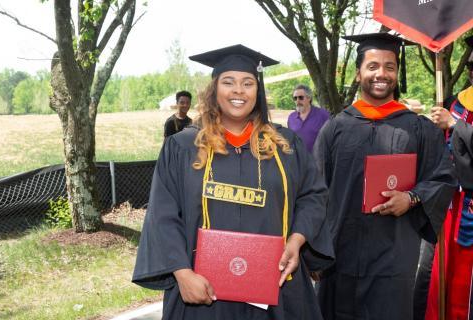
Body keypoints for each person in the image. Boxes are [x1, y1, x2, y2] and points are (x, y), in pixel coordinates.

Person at [132, 44, 334, 320]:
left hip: (275, 291)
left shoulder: (286, 146)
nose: (238, 90)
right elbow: (162, 216)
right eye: (229, 82)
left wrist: (297, 241)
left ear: (257, 91)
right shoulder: (183, 148)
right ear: (214, 89)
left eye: (247, 83)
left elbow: (313, 196)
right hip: (203, 294)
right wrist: (182, 273)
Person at [313, 32, 457, 320]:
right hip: (339, 257)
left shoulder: (418, 129)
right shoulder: (335, 128)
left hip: (393, 260)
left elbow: (444, 177)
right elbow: (314, 191)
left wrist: (413, 198)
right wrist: (313, 249)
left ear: (397, 74)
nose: (381, 74)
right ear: (358, 74)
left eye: (390, 67)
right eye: (373, 66)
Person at [418, 34, 473, 320]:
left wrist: (456, 125)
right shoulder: (456, 103)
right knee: (442, 274)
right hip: (452, 203)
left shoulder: (457, 115)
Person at [287, 84, 329, 152]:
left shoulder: (323, 115)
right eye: (295, 98)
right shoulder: (291, 118)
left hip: (317, 160)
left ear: (309, 98)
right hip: (298, 159)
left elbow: (331, 138)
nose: (297, 101)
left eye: (301, 97)